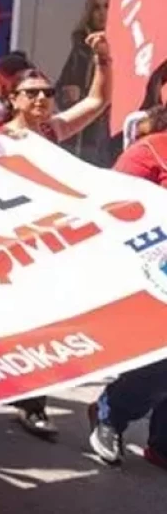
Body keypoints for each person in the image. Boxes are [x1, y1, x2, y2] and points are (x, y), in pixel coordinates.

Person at [0, 33, 111, 440]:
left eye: (47, 92)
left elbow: (96, 103)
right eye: (32, 94)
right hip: (3, 245)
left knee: (42, 320)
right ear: (14, 100)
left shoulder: (51, 130)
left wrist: (103, 61)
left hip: (45, 241)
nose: (43, 100)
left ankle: (32, 403)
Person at [89, 105, 167, 470]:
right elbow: (115, 207)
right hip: (158, 272)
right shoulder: (149, 150)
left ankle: (162, 444)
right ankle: (110, 413)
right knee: (162, 363)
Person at [58, 0, 114, 166]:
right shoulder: (81, 47)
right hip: (84, 130)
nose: (102, 12)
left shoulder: (125, 43)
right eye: (97, 7)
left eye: (107, 6)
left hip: (113, 126)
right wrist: (68, 92)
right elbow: (62, 87)